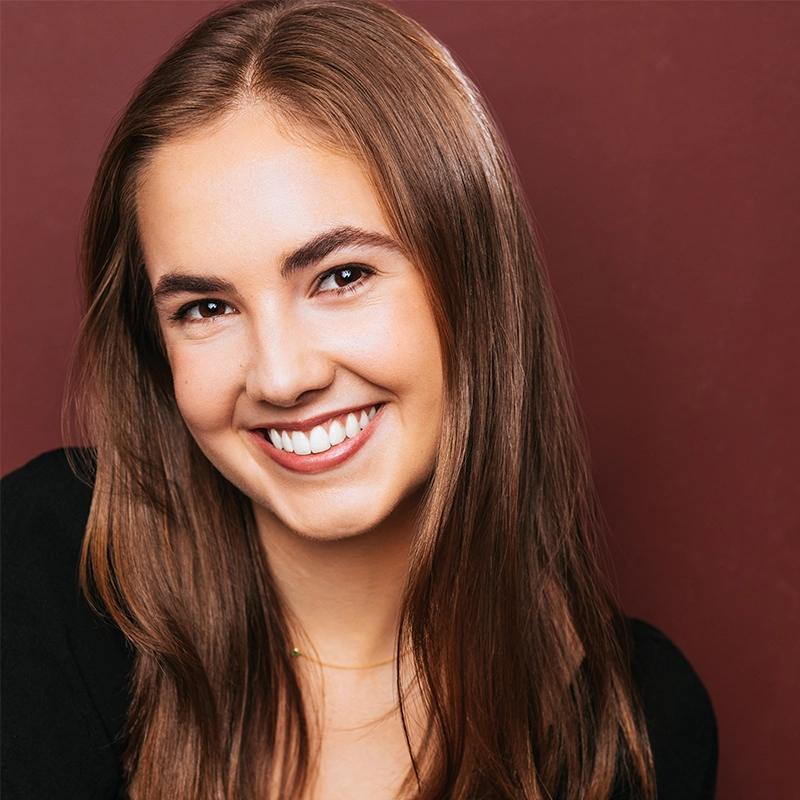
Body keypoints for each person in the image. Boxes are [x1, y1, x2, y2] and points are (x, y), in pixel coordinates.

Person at [0, 1, 718, 798]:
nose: (281, 378)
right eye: (205, 308)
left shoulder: (636, 726)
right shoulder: (43, 572)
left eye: (342, 276)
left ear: (473, 284)